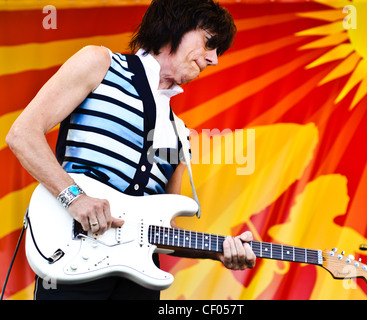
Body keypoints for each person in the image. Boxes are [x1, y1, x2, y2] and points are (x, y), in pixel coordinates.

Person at [6, 0, 256, 300]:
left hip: (140, 282)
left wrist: (219, 251)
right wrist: (74, 198)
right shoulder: (100, 63)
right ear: (174, 27)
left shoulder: (179, 133)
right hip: (74, 257)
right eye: (209, 43)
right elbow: (22, 134)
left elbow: (165, 231)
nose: (214, 59)